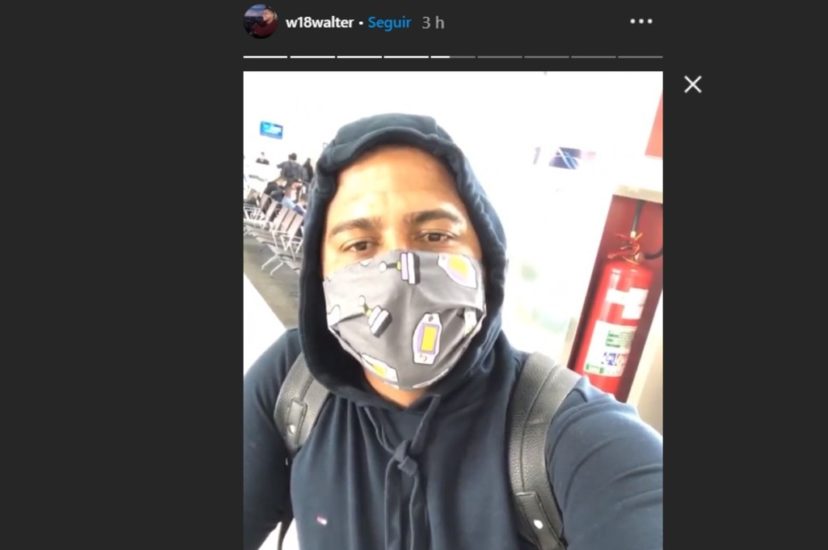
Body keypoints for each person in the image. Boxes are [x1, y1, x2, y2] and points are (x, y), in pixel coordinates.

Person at [243, 113, 663, 550]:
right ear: (321, 274)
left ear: (486, 257)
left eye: (434, 235)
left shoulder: (562, 432)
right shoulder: (295, 383)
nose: (401, 275)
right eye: (360, 245)